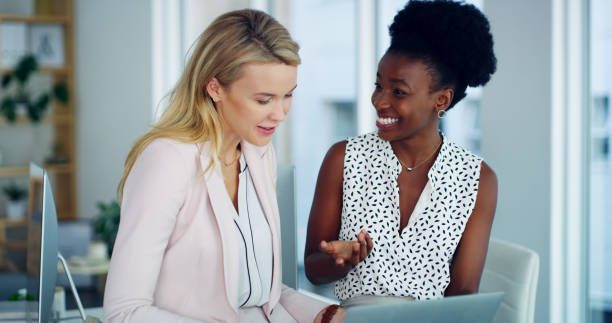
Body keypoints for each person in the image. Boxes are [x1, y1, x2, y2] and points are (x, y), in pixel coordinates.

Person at [104, 9, 341, 323]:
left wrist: (324, 315)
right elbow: (124, 311)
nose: (280, 113)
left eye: (288, 96)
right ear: (215, 88)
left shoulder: (259, 155)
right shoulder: (167, 161)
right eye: (263, 99)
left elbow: (259, 294)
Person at [304, 0, 498, 310]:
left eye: (398, 92)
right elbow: (313, 269)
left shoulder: (477, 179)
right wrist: (341, 261)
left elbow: (462, 292)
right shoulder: (343, 158)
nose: (379, 100)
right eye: (378, 85)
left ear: (442, 99)